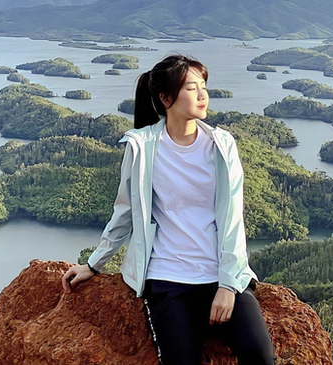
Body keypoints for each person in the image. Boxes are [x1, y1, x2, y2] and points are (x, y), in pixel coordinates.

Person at [62, 54, 277, 365]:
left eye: (204, 86)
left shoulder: (221, 145)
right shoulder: (142, 147)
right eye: (192, 88)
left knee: (260, 356)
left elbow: (233, 219)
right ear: (165, 98)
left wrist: (228, 285)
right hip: (168, 281)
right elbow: (125, 212)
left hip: (220, 274)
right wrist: (94, 264)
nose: (203, 94)